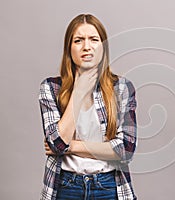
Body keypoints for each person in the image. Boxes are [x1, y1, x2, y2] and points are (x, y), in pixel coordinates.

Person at [38, 14, 137, 200]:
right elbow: (57, 143)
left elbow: (125, 149)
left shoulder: (122, 88)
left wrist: (72, 146)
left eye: (94, 39)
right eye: (78, 40)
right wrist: (79, 91)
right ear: (69, 48)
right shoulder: (50, 88)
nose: (86, 47)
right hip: (65, 186)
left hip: (109, 186)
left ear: (103, 47)